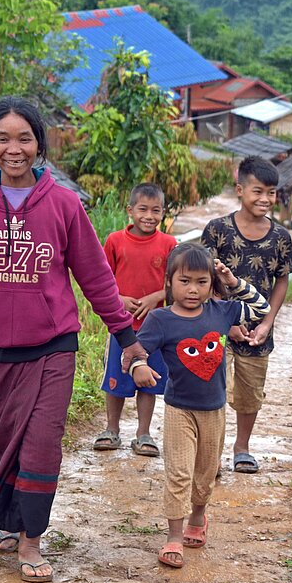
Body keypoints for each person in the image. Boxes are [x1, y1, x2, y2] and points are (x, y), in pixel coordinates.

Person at [0, 96, 146, 583]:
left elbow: (95, 278)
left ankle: (31, 540)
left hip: (52, 348)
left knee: (42, 444)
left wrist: (126, 338)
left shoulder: (64, 204)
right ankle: (8, 521)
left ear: (39, 145)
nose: (14, 148)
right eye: (3, 138)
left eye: (24, 138)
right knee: (4, 445)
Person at [130, 243, 271, 568]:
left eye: (201, 282)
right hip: (179, 409)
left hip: (214, 411)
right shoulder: (160, 319)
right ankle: (174, 538)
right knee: (179, 473)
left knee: (205, 475)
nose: (193, 289)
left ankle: (198, 516)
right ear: (169, 282)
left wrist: (233, 282)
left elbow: (261, 308)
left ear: (211, 283)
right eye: (184, 281)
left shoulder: (222, 312)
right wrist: (138, 367)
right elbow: (137, 350)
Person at [201, 155, 292, 474]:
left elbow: (282, 279)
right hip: (216, 328)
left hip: (257, 332)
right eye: (258, 191)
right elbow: (204, 278)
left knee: (250, 393)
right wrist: (223, 322)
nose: (265, 199)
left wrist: (268, 322)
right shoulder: (218, 230)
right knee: (211, 390)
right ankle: (211, 454)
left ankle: (241, 448)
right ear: (239, 189)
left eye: (271, 192)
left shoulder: (280, 237)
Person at [93, 183, 177, 457]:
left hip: (156, 328)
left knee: (148, 379)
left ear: (163, 213)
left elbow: (178, 284)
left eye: (156, 211)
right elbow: (101, 281)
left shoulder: (169, 244)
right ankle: (111, 429)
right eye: (143, 209)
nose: (149, 216)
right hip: (122, 325)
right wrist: (119, 299)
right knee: (116, 379)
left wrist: (156, 297)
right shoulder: (115, 241)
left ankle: (143, 433)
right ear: (130, 210)